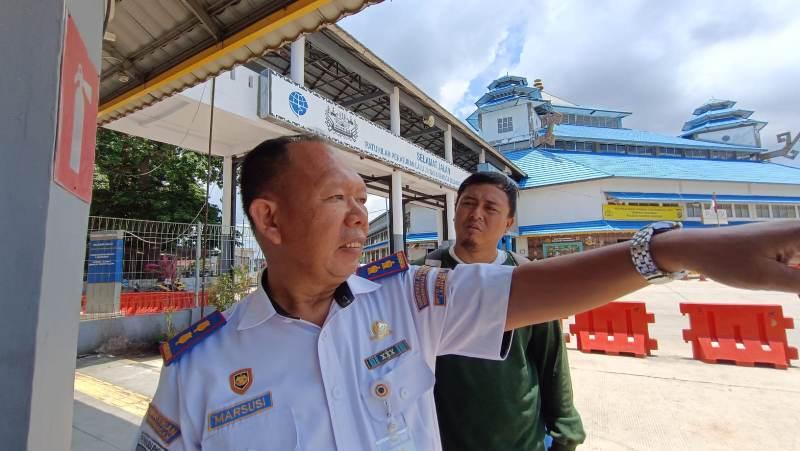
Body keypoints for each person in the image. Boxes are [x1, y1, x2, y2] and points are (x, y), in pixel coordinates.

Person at [136, 134, 800, 451]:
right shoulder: (199, 368)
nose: (361, 216)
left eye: (362, 200)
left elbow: (540, 290)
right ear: (269, 217)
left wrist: (677, 248)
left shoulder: (409, 300)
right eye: (336, 198)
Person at [412, 171, 584, 451]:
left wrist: (566, 433)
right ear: (454, 211)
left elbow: (552, 362)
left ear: (509, 223)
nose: (476, 214)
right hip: (437, 439)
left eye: (490, 208)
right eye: (468, 203)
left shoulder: (529, 278)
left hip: (518, 440)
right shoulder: (419, 276)